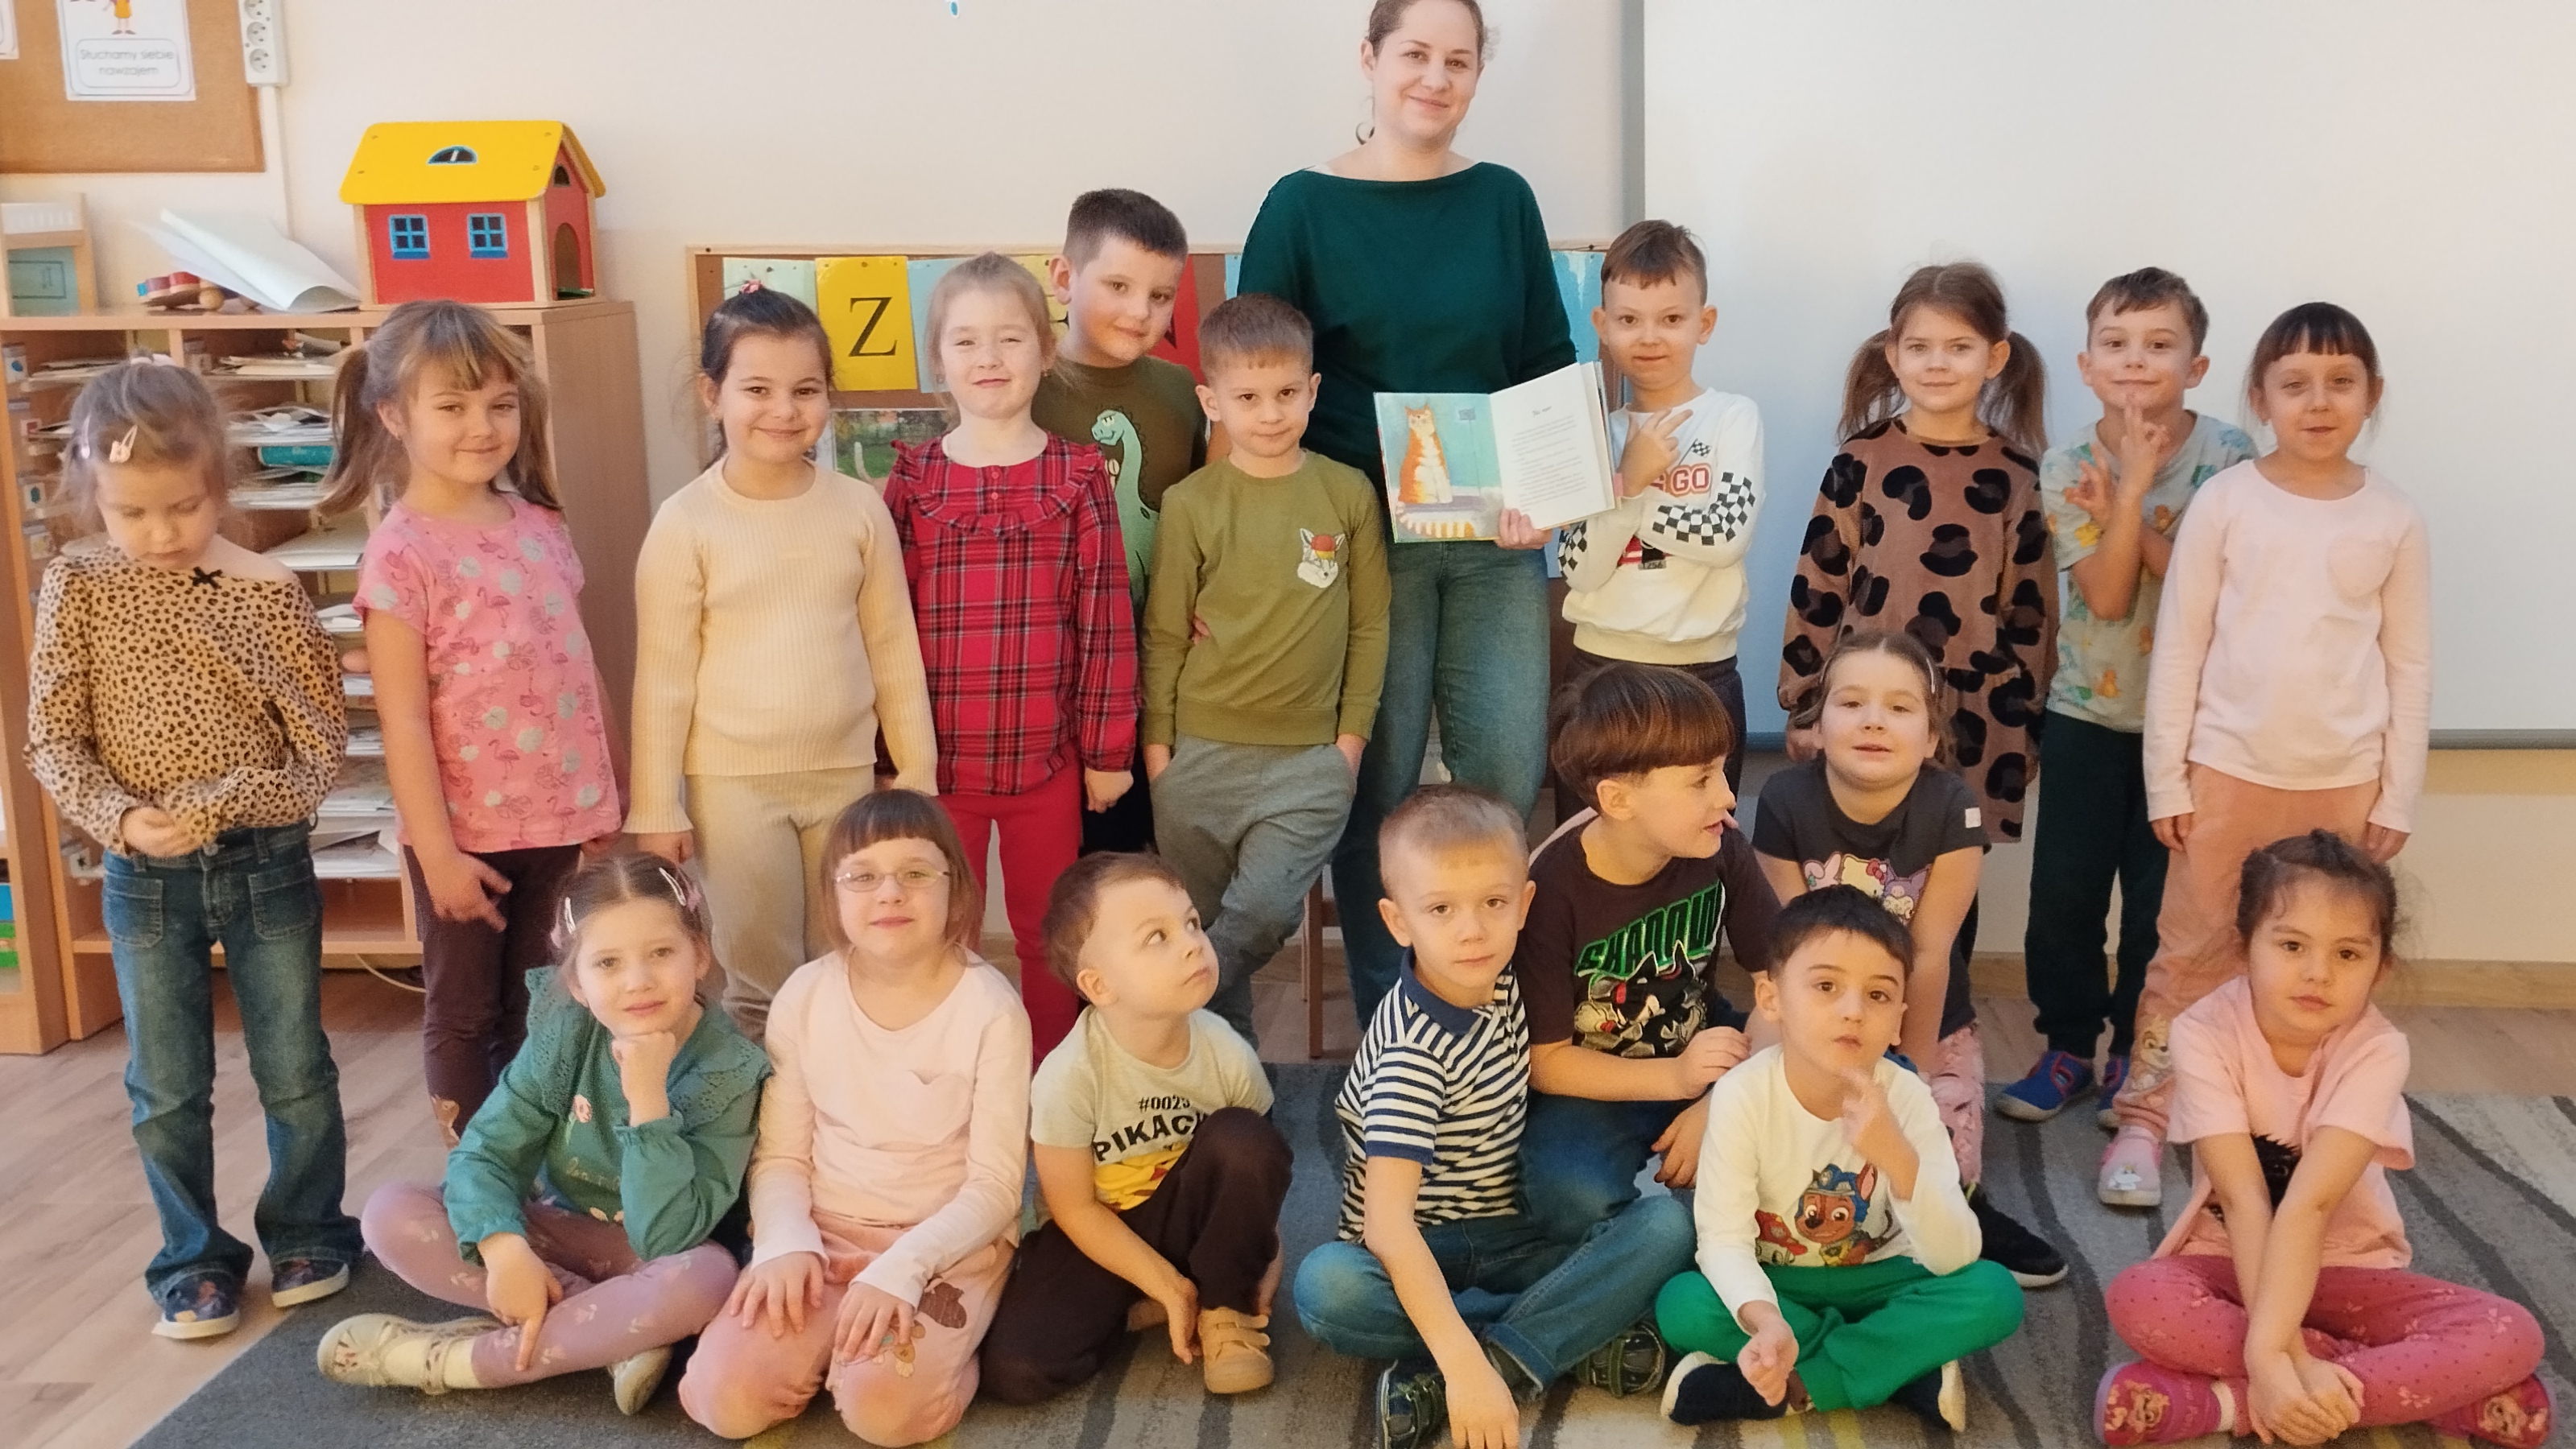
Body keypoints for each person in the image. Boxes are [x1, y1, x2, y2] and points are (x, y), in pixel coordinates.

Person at [1238, 0, 1578, 1027]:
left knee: (1504, 776)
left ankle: (1484, 1014)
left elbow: (1544, 363)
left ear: (1477, 75)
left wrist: (1547, 497)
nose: (1435, 77)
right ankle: (1395, 1025)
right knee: (1373, 784)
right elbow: (1256, 370)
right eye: (1415, 54)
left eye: (1457, 60)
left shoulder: (1503, 200)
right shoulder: (1301, 205)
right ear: (1370, 60)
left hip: (1492, 541)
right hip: (1356, 543)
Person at [27, 361, 358, 1340]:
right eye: (131, 512)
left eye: (184, 506)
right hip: (143, 876)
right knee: (166, 1086)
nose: (163, 533)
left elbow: (319, 750)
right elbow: (53, 739)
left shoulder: (264, 591)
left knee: (295, 1066)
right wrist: (121, 819)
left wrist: (225, 802)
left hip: (265, 862)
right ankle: (191, 1261)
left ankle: (310, 1232)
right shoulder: (78, 587)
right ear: (93, 495)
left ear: (220, 483)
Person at [2103, 303, 2431, 1210]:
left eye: (2340, 383)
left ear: (2371, 395)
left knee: (2320, 964)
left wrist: (2396, 796)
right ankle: (2145, 1117)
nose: (2317, 402)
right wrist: (2167, 780)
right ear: (2260, 397)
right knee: (2193, 952)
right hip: (2225, 777)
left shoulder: (2392, 517)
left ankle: (2308, 1129)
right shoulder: (2226, 502)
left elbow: (2407, 663)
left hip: (2342, 786)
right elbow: (2181, 646)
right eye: (2295, 384)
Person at [2097, 833, 2548, 1447]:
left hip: (2350, 1270)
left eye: (2347, 954)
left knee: (2511, 1333)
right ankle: (2374, 1389)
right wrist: (2274, 1353)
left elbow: (2308, 1206)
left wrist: (2268, 1360)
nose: (2317, 973)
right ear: (2244, 947)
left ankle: (2230, 1404)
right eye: (2290, 945)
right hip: (2233, 1265)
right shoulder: (2201, 1032)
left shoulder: (2378, 1049)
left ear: (2380, 968)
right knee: (2141, 1297)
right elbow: (2245, 1200)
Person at [1292, 786, 1698, 1449]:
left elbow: (1553, 849)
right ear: (1398, 922)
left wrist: (1635, 803)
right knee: (1328, 1290)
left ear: (1523, 905)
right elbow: (1388, 1229)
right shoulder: (1408, 1056)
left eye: (1493, 903)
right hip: (1418, 1250)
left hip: (1518, 1234)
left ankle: (1501, 1358)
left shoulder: (1505, 976)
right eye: (1440, 909)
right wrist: (1463, 1367)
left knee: (1665, 1224)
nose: (1471, 930)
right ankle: (1547, 1340)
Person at [325, 299, 622, 1143]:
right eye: (452, 406)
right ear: (394, 414)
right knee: (465, 1014)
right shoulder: (402, 554)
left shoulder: (541, 526)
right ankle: (478, 1179)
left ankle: (541, 1164)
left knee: (549, 1004)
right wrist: (439, 854)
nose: (482, 427)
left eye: (500, 405)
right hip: (465, 837)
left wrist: (613, 786)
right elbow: (403, 721)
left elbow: (577, 663)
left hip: (560, 821)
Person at [323, 853, 768, 1414]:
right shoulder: (565, 1032)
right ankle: (607, 1335)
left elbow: (666, 1238)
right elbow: (486, 1151)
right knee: (391, 1212)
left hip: (657, 1257)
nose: (638, 981)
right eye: (607, 963)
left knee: (708, 1277)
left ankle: (459, 1361)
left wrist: (648, 1102)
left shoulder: (731, 1070)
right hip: (555, 1233)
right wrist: (504, 1249)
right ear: (577, 984)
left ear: (700, 955)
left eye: (661, 953)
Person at [627, 286, 938, 1042]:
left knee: (851, 960)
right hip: (733, 788)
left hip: (843, 778)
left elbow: (893, 649)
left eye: (805, 390)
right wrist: (656, 807)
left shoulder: (858, 510)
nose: (784, 410)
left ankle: (846, 1105)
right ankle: (763, 1113)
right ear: (713, 395)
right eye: (757, 389)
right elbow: (662, 680)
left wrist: (917, 770)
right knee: (761, 980)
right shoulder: (685, 523)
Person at [678, 790, 1028, 1447]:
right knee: (725, 1400)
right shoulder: (805, 996)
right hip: (824, 1231)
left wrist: (905, 1267)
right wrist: (783, 1243)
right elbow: (782, 1157)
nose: (890, 892)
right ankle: (836, 1345)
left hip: (944, 1247)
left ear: (955, 890)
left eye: (916, 873)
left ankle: (940, 1352)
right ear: (833, 896)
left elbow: (997, 1186)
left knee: (883, 1413)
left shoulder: (992, 1009)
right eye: (862, 876)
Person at [2002, 268, 2254, 1127]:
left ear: (2196, 366)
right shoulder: (2068, 463)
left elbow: (2208, 594)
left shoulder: (2230, 460)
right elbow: (2108, 598)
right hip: (2084, 715)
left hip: (2190, 727)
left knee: (2158, 908)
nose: (2135, 360)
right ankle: (2067, 1047)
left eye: (2158, 344)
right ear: (2086, 364)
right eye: (2115, 343)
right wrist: (2128, 493)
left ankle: (2136, 1056)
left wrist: (2132, 498)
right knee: (2064, 900)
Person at [1754, 630, 2067, 1288]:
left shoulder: (1952, 808)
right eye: (1851, 703)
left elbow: (1928, 956)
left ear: (1929, 739)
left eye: (1899, 708)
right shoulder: (1783, 799)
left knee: (1931, 1162)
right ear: (1816, 726)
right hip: (1812, 1017)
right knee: (1782, 1139)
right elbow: (1789, 951)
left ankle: (1962, 1203)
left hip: (1924, 1021)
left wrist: (1907, 1075)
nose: (1873, 720)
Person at [883, 254, 1138, 1059]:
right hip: (936, 768)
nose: (988, 358)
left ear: (1045, 351)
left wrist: (1107, 753)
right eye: (965, 341)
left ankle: (1048, 1086)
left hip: (1047, 764)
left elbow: (1104, 620)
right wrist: (889, 757)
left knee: (1046, 932)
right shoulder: (913, 479)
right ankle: (952, 1081)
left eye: (1009, 338)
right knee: (943, 933)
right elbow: (882, 632)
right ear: (938, 359)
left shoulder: (1078, 476)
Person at [1653, 886, 2024, 1430]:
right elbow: (1724, 1241)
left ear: (1898, 1021)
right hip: (1780, 1284)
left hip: (1885, 1279)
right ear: (1771, 999)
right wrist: (1765, 1322)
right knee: (1682, 1304)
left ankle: (1804, 1385)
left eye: (1877, 995)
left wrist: (1897, 1158)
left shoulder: (1907, 1097)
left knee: (1994, 1294)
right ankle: (1895, 1371)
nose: (1853, 1011)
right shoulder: (1741, 1095)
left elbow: (1954, 1257)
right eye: (1826, 986)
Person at [1140, 293, 1389, 1046]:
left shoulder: (1346, 492)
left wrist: (1348, 746)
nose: (1271, 413)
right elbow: (1164, 632)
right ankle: (1229, 1087)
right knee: (1205, 924)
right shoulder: (1190, 502)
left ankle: (1153, 1008)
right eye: (1247, 398)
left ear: (1312, 390)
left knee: (1259, 915)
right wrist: (1159, 754)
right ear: (1212, 402)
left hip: (1308, 762)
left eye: (1286, 393)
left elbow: (1370, 625)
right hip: (1197, 758)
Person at [980, 852, 1292, 1404]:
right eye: (1157, 937)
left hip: (1198, 1224)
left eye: (1191, 923)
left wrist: (1267, 1251)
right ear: (1099, 986)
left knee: (1243, 1138)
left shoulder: (1226, 1052)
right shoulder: (1067, 1077)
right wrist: (1165, 1287)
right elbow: (1074, 1209)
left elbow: (1257, 1175)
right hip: (1101, 1235)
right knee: (1016, 1369)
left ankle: (1222, 1308)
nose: (1192, 944)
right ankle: (1151, 1305)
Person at [1777, 259, 2056, 850]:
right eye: (1920, 347)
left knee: (1952, 869)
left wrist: (2030, 723)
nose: (1937, 363)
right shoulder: (1860, 460)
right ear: (1894, 354)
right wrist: (1804, 706)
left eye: (1959, 347)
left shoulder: (2016, 474)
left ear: (1995, 358)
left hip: (1977, 711)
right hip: (1867, 702)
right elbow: (1818, 586)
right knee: (1856, 862)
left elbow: (2031, 614)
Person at [1518, 663, 1778, 1247]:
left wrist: (1723, 1101)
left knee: (1872, 1075)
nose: (1727, 796)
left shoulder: (1721, 846)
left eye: (1721, 771)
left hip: (1709, 1052)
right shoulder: (1550, 891)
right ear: (1617, 799)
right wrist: (1674, 1080)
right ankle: (1666, 1229)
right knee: (1568, 1195)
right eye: (1700, 780)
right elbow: (1547, 1063)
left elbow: (1782, 989)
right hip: (1597, 1082)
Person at [1557, 220, 1763, 791]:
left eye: (1671, 319)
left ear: (1704, 323)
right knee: (1594, 832)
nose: (1650, 337)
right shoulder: (1592, 433)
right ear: (1602, 326)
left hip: (1702, 671)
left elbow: (1724, 536)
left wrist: (1629, 495)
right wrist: (1629, 478)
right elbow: (1579, 568)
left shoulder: (1731, 418)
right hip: (1599, 669)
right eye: (1628, 320)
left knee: (1701, 833)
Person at [1036, 188, 1206, 857]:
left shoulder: (1180, 393)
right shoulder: (1024, 388)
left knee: (1152, 860)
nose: (1140, 312)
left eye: (1160, 296)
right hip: (1057, 687)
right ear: (1063, 278)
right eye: (1118, 286)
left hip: (1157, 682)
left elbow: (1208, 519)